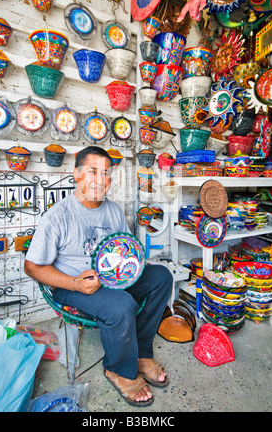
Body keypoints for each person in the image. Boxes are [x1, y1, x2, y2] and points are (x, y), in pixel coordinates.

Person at [24, 146, 173, 407]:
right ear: (77, 175)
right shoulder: (58, 216)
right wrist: (74, 284)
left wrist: (132, 266)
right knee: (120, 304)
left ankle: (139, 353)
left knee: (161, 276)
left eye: (106, 173)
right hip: (71, 284)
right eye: (93, 171)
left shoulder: (113, 210)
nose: (100, 179)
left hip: (111, 279)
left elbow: (124, 249)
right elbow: (32, 267)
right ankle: (119, 369)